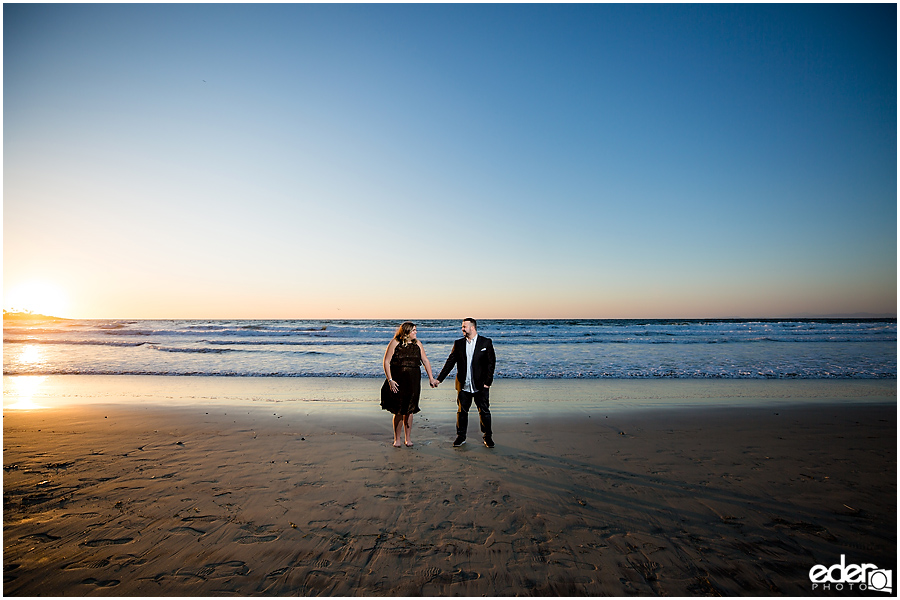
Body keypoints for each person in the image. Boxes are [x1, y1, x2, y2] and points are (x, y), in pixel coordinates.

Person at [435, 318, 496, 448]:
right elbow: (450, 362)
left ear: (472, 327)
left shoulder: (486, 342)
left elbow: (491, 363)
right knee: (462, 412)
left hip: (481, 385)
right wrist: (439, 379)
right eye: (462, 327)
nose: (462, 329)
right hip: (463, 385)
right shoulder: (459, 344)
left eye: (464, 326)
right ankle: (461, 437)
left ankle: (487, 437)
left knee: (484, 411)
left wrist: (488, 382)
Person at [381, 322, 438, 447]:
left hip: (413, 381)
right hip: (398, 381)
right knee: (399, 410)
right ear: (406, 332)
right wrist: (390, 380)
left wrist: (431, 378)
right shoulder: (395, 342)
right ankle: (397, 439)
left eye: (416, 330)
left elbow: (425, 360)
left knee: (410, 409)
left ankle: (408, 438)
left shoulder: (417, 344)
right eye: (413, 330)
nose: (416, 332)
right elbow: (386, 361)